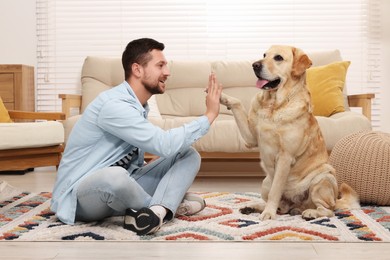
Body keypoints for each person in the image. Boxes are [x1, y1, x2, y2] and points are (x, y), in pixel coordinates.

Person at [51, 38, 222, 235]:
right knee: (114, 177)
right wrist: (209, 115)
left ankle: (156, 213)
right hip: (82, 195)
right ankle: (169, 205)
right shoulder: (114, 105)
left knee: (188, 155)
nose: (167, 72)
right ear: (137, 69)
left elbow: (143, 153)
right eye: (160, 65)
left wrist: (155, 164)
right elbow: (163, 144)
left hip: (124, 184)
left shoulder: (138, 106)